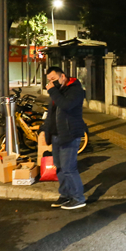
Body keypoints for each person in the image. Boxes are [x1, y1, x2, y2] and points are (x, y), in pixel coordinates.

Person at [40, 66, 88, 210]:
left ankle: (78, 198)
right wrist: (45, 130)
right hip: (56, 134)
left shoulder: (75, 90)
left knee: (69, 168)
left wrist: (53, 91)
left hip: (69, 134)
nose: (51, 82)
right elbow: (52, 113)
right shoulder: (58, 91)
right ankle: (65, 195)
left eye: (54, 79)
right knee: (59, 168)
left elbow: (66, 105)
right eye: (49, 80)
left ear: (63, 76)